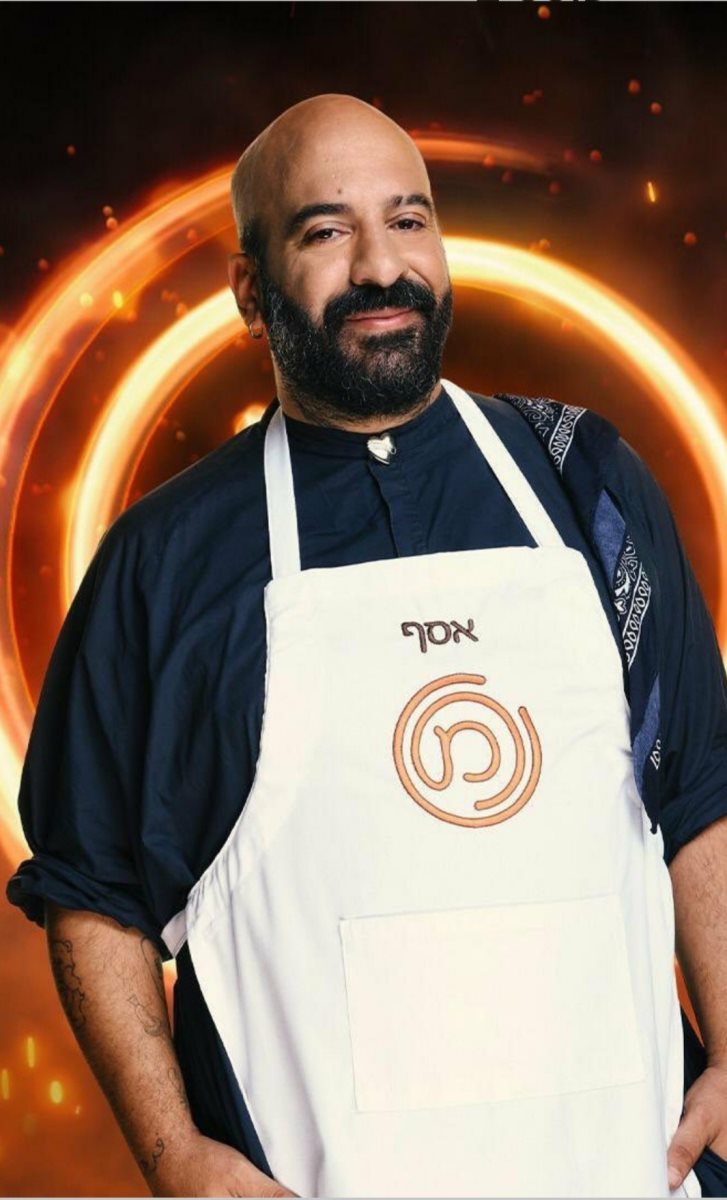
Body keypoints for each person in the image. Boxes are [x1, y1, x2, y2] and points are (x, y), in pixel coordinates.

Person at [6, 92, 727, 1199]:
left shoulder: (585, 484)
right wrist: (173, 1154)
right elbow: (93, 892)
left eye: (408, 219)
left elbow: (701, 795)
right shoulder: (164, 559)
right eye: (325, 231)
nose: (381, 267)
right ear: (249, 290)